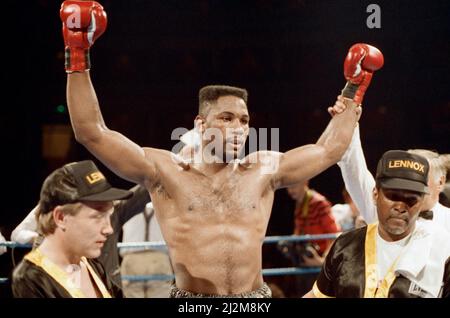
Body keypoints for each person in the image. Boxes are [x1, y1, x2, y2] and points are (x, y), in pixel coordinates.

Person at [60, 1, 382, 297]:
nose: (239, 128)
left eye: (244, 120)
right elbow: (92, 133)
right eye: (226, 118)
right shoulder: (165, 172)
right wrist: (78, 53)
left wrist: (355, 88)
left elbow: (328, 150)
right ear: (201, 125)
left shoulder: (263, 170)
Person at [305, 150, 450, 298]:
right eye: (393, 196)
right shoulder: (345, 245)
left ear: (421, 201)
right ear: (375, 195)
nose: (400, 207)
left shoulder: (443, 250)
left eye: (411, 199)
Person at [12, 160, 132, 298]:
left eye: (108, 215)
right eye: (97, 216)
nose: (109, 229)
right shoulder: (29, 281)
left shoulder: (91, 265)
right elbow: (18, 233)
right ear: (61, 217)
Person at [330, 102, 450, 231]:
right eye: (407, 179)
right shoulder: (387, 214)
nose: (412, 186)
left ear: (441, 182)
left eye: (421, 178)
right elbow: (356, 174)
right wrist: (348, 124)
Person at [11, 185, 150, 291]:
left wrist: (162, 168)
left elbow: (144, 190)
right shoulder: (51, 208)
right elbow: (18, 233)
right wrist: (45, 240)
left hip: (105, 284)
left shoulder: (112, 208)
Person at [284, 180, 340, 296]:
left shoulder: (319, 203)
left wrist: (322, 262)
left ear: (305, 182)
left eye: (293, 186)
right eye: (288, 187)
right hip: (305, 263)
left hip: (319, 266)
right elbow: (298, 233)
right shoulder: (300, 204)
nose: (290, 190)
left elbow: (335, 235)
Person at [120, 202, 173, 298]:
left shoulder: (127, 207)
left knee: (133, 294)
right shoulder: (166, 207)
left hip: (132, 258)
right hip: (158, 258)